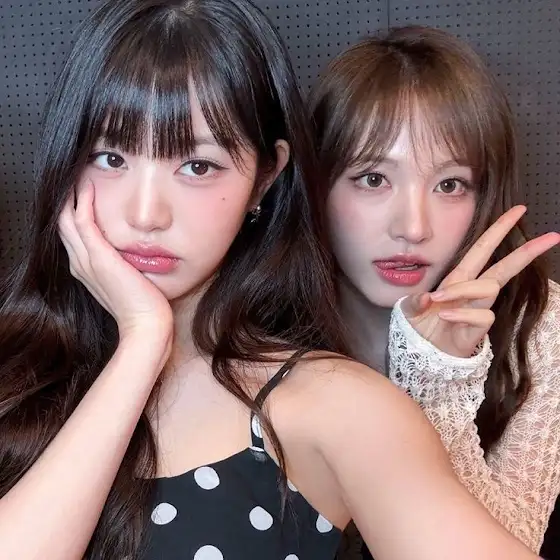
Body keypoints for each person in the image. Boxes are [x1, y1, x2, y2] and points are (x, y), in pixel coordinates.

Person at [0, 4, 545, 559]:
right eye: (111, 157)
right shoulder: (12, 371)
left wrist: (144, 333)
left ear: (264, 180)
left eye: (198, 166)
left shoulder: (340, 407)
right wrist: (140, 347)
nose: (146, 214)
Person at [309, 25, 560, 560]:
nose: (413, 228)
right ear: (316, 184)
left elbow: (508, 545)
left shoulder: (540, 322)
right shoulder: (259, 320)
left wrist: (437, 381)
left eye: (449, 185)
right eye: (373, 179)